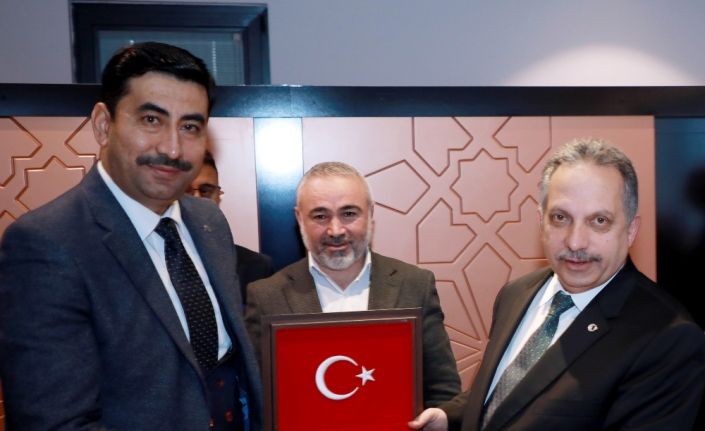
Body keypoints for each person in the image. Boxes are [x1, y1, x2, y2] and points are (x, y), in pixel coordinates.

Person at [0, 42, 262, 430]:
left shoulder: (209, 221)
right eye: (151, 120)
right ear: (103, 125)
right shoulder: (46, 244)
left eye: (190, 127)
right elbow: (56, 422)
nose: (172, 148)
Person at [409, 138, 705, 431]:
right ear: (541, 222)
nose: (575, 242)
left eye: (599, 221)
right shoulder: (516, 294)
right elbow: (507, 395)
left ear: (630, 230)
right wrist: (450, 417)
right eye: (561, 218)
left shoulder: (669, 339)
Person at [244, 161, 461, 408]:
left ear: (370, 213)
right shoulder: (266, 296)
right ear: (299, 218)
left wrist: (438, 418)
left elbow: (443, 392)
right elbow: (258, 402)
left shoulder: (415, 285)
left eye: (349, 214)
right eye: (320, 216)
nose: (335, 230)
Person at [188, 150, 274, 304]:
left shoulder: (257, 267)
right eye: (185, 191)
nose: (197, 199)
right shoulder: (151, 263)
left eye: (206, 191)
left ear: (218, 196)